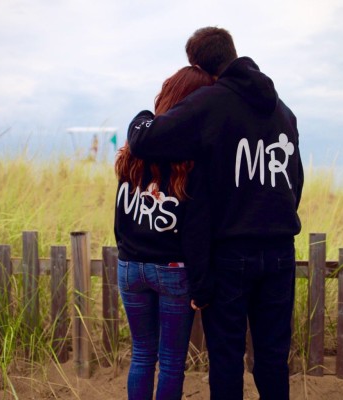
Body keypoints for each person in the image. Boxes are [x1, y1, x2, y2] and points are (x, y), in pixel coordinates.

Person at [127, 27, 304, 400]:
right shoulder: (284, 112)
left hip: (230, 255)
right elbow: (295, 181)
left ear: (199, 66)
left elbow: (146, 139)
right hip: (280, 250)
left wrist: (143, 116)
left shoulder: (211, 101)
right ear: (232, 52)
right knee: (273, 359)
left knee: (226, 358)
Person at [114, 66, 215, 400]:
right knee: (171, 362)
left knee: (142, 354)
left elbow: (120, 215)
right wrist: (201, 287)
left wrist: (127, 251)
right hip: (172, 270)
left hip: (130, 266)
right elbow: (196, 232)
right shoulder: (192, 158)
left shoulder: (133, 152)